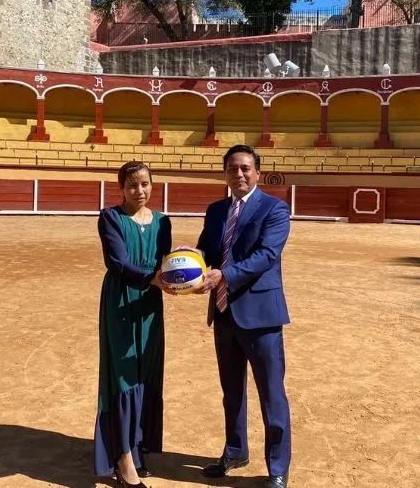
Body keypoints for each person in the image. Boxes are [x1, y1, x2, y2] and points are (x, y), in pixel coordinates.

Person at [194, 144, 292, 488]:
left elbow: (266, 255)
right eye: (232, 168)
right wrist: (189, 263)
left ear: (257, 173)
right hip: (224, 312)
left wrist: (224, 275)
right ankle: (235, 451)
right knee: (231, 391)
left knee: (271, 394)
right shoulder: (216, 210)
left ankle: (277, 467)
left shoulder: (275, 209)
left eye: (245, 168)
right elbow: (207, 248)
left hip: (261, 315)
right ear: (225, 174)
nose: (239, 174)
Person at [94, 161, 172, 488]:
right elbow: (118, 262)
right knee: (124, 374)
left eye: (144, 184)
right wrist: (154, 278)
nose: (139, 191)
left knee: (146, 369)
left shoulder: (163, 221)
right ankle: (123, 458)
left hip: (150, 304)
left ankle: (137, 448)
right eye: (131, 185)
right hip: (121, 301)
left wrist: (183, 276)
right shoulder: (110, 218)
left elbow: (166, 263)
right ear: (121, 188)